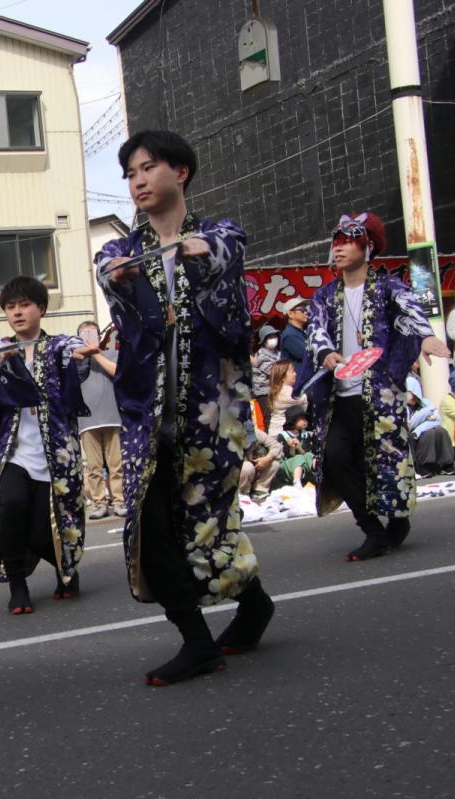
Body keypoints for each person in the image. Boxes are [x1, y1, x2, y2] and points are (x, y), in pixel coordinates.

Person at [95, 129, 274, 685]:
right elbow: (112, 279)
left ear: (181, 172)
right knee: (148, 529)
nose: (138, 181)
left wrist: (197, 254)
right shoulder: (122, 250)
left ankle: (251, 606)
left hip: (212, 411)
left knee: (207, 527)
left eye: (147, 167)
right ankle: (200, 640)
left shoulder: (220, 234)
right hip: (150, 417)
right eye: (129, 174)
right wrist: (123, 277)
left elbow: (225, 254)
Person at [297, 212, 450, 562]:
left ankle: (397, 520)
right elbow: (316, 329)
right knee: (335, 458)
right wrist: (326, 352)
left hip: (381, 392)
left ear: (368, 248)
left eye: (348, 241)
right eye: (336, 241)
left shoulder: (388, 288)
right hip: (340, 396)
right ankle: (371, 529)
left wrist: (425, 337)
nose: (339, 249)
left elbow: (410, 312)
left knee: (387, 459)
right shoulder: (324, 296)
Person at [0, 276, 90, 614]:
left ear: (41, 308)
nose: (17, 312)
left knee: (44, 528)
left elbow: (78, 361)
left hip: (56, 454)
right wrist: (7, 364)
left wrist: (82, 356)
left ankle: (63, 568)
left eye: (25, 305)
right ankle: (18, 585)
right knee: (10, 507)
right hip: (13, 453)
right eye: (10, 307)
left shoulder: (59, 346)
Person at [76, 320, 125, 520]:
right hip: (87, 421)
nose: (88, 338)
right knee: (94, 467)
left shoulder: (111, 353)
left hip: (113, 417)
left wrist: (96, 352)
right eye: (84, 335)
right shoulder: (75, 361)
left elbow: (118, 372)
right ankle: (99, 503)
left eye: (92, 334)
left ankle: (120, 501)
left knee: (117, 464)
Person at [406, 364, 455, 477]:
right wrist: (425, 414)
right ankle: (425, 465)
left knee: (440, 430)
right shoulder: (403, 406)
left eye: (413, 393)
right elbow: (409, 425)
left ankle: (447, 464)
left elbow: (436, 419)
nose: (411, 396)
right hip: (413, 438)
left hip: (419, 433)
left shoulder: (426, 403)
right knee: (429, 432)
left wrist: (419, 429)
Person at [239, 425, 282, 500]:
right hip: (239, 471)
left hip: (257, 467)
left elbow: (277, 446)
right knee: (247, 467)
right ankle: (243, 491)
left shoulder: (255, 432)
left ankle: (260, 490)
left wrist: (267, 459)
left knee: (274, 464)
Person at [277, 407, 316, 487]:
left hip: (304, 464)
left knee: (310, 456)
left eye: (305, 419)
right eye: (302, 419)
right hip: (288, 466)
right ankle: (296, 482)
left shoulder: (305, 434)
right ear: (293, 421)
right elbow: (288, 457)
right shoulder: (283, 436)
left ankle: (317, 475)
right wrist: (292, 447)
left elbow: (306, 453)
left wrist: (299, 447)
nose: (305, 421)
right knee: (298, 458)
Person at [266, 360, 306, 436]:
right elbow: (303, 399)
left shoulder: (277, 390)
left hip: (277, 432)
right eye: (292, 371)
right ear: (282, 377)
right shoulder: (285, 391)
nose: (295, 374)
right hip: (280, 435)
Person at [251, 324, 281, 422]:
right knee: (270, 417)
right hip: (263, 391)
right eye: (270, 337)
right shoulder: (261, 355)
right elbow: (273, 372)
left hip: (275, 390)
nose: (274, 339)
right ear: (264, 340)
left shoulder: (277, 353)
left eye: (275, 335)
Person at [278, 297, 310, 365]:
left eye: (306, 309)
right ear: (291, 314)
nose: (306, 312)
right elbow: (307, 356)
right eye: (302, 309)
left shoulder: (301, 331)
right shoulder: (290, 335)